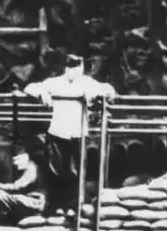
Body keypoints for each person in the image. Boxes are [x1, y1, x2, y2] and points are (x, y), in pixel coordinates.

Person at [23, 55, 116, 211]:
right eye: (70, 67)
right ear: (65, 68)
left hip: (78, 134)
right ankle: (56, 206)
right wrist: (42, 94)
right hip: (57, 132)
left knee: (76, 172)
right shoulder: (54, 83)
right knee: (56, 170)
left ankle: (74, 207)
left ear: (82, 68)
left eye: (77, 67)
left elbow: (109, 90)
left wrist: (100, 95)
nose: (73, 71)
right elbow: (29, 88)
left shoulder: (88, 83)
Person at [0, 147, 47, 225]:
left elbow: (16, 187)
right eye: (13, 161)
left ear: (26, 156)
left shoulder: (31, 168)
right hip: (30, 202)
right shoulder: (26, 169)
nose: (15, 163)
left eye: (18, 159)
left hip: (33, 202)